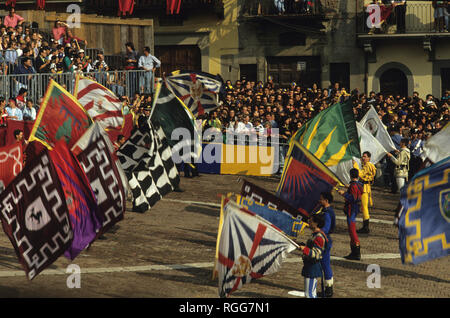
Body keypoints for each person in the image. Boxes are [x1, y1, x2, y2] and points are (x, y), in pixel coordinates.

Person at [298, 213, 328, 299]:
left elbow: (316, 254)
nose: (309, 222)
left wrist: (305, 249)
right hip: (309, 266)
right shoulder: (315, 234)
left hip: (312, 267)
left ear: (316, 223)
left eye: (311, 221)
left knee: (310, 294)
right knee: (310, 293)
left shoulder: (318, 236)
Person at [338, 168, 363, 261]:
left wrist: (343, 194)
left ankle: (356, 253)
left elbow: (353, 198)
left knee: (352, 231)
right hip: (354, 209)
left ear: (351, 175)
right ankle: (354, 252)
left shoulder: (353, 186)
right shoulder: (359, 184)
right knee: (351, 230)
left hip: (351, 209)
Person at [316, 192, 335, 298]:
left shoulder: (327, 213)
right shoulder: (325, 211)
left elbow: (326, 228)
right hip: (325, 239)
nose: (320, 200)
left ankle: (328, 290)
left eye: (321, 199)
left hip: (324, 240)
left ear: (326, 201)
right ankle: (328, 288)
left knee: (325, 264)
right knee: (325, 264)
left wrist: (317, 230)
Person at [353, 151, 377, 234]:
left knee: (364, 207)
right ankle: (365, 227)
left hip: (365, 188)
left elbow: (361, 174)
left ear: (369, 158)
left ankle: (366, 227)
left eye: (365, 156)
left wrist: (355, 165)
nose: (363, 158)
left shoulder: (368, 165)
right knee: (364, 207)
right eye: (362, 156)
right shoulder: (368, 165)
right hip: (365, 187)